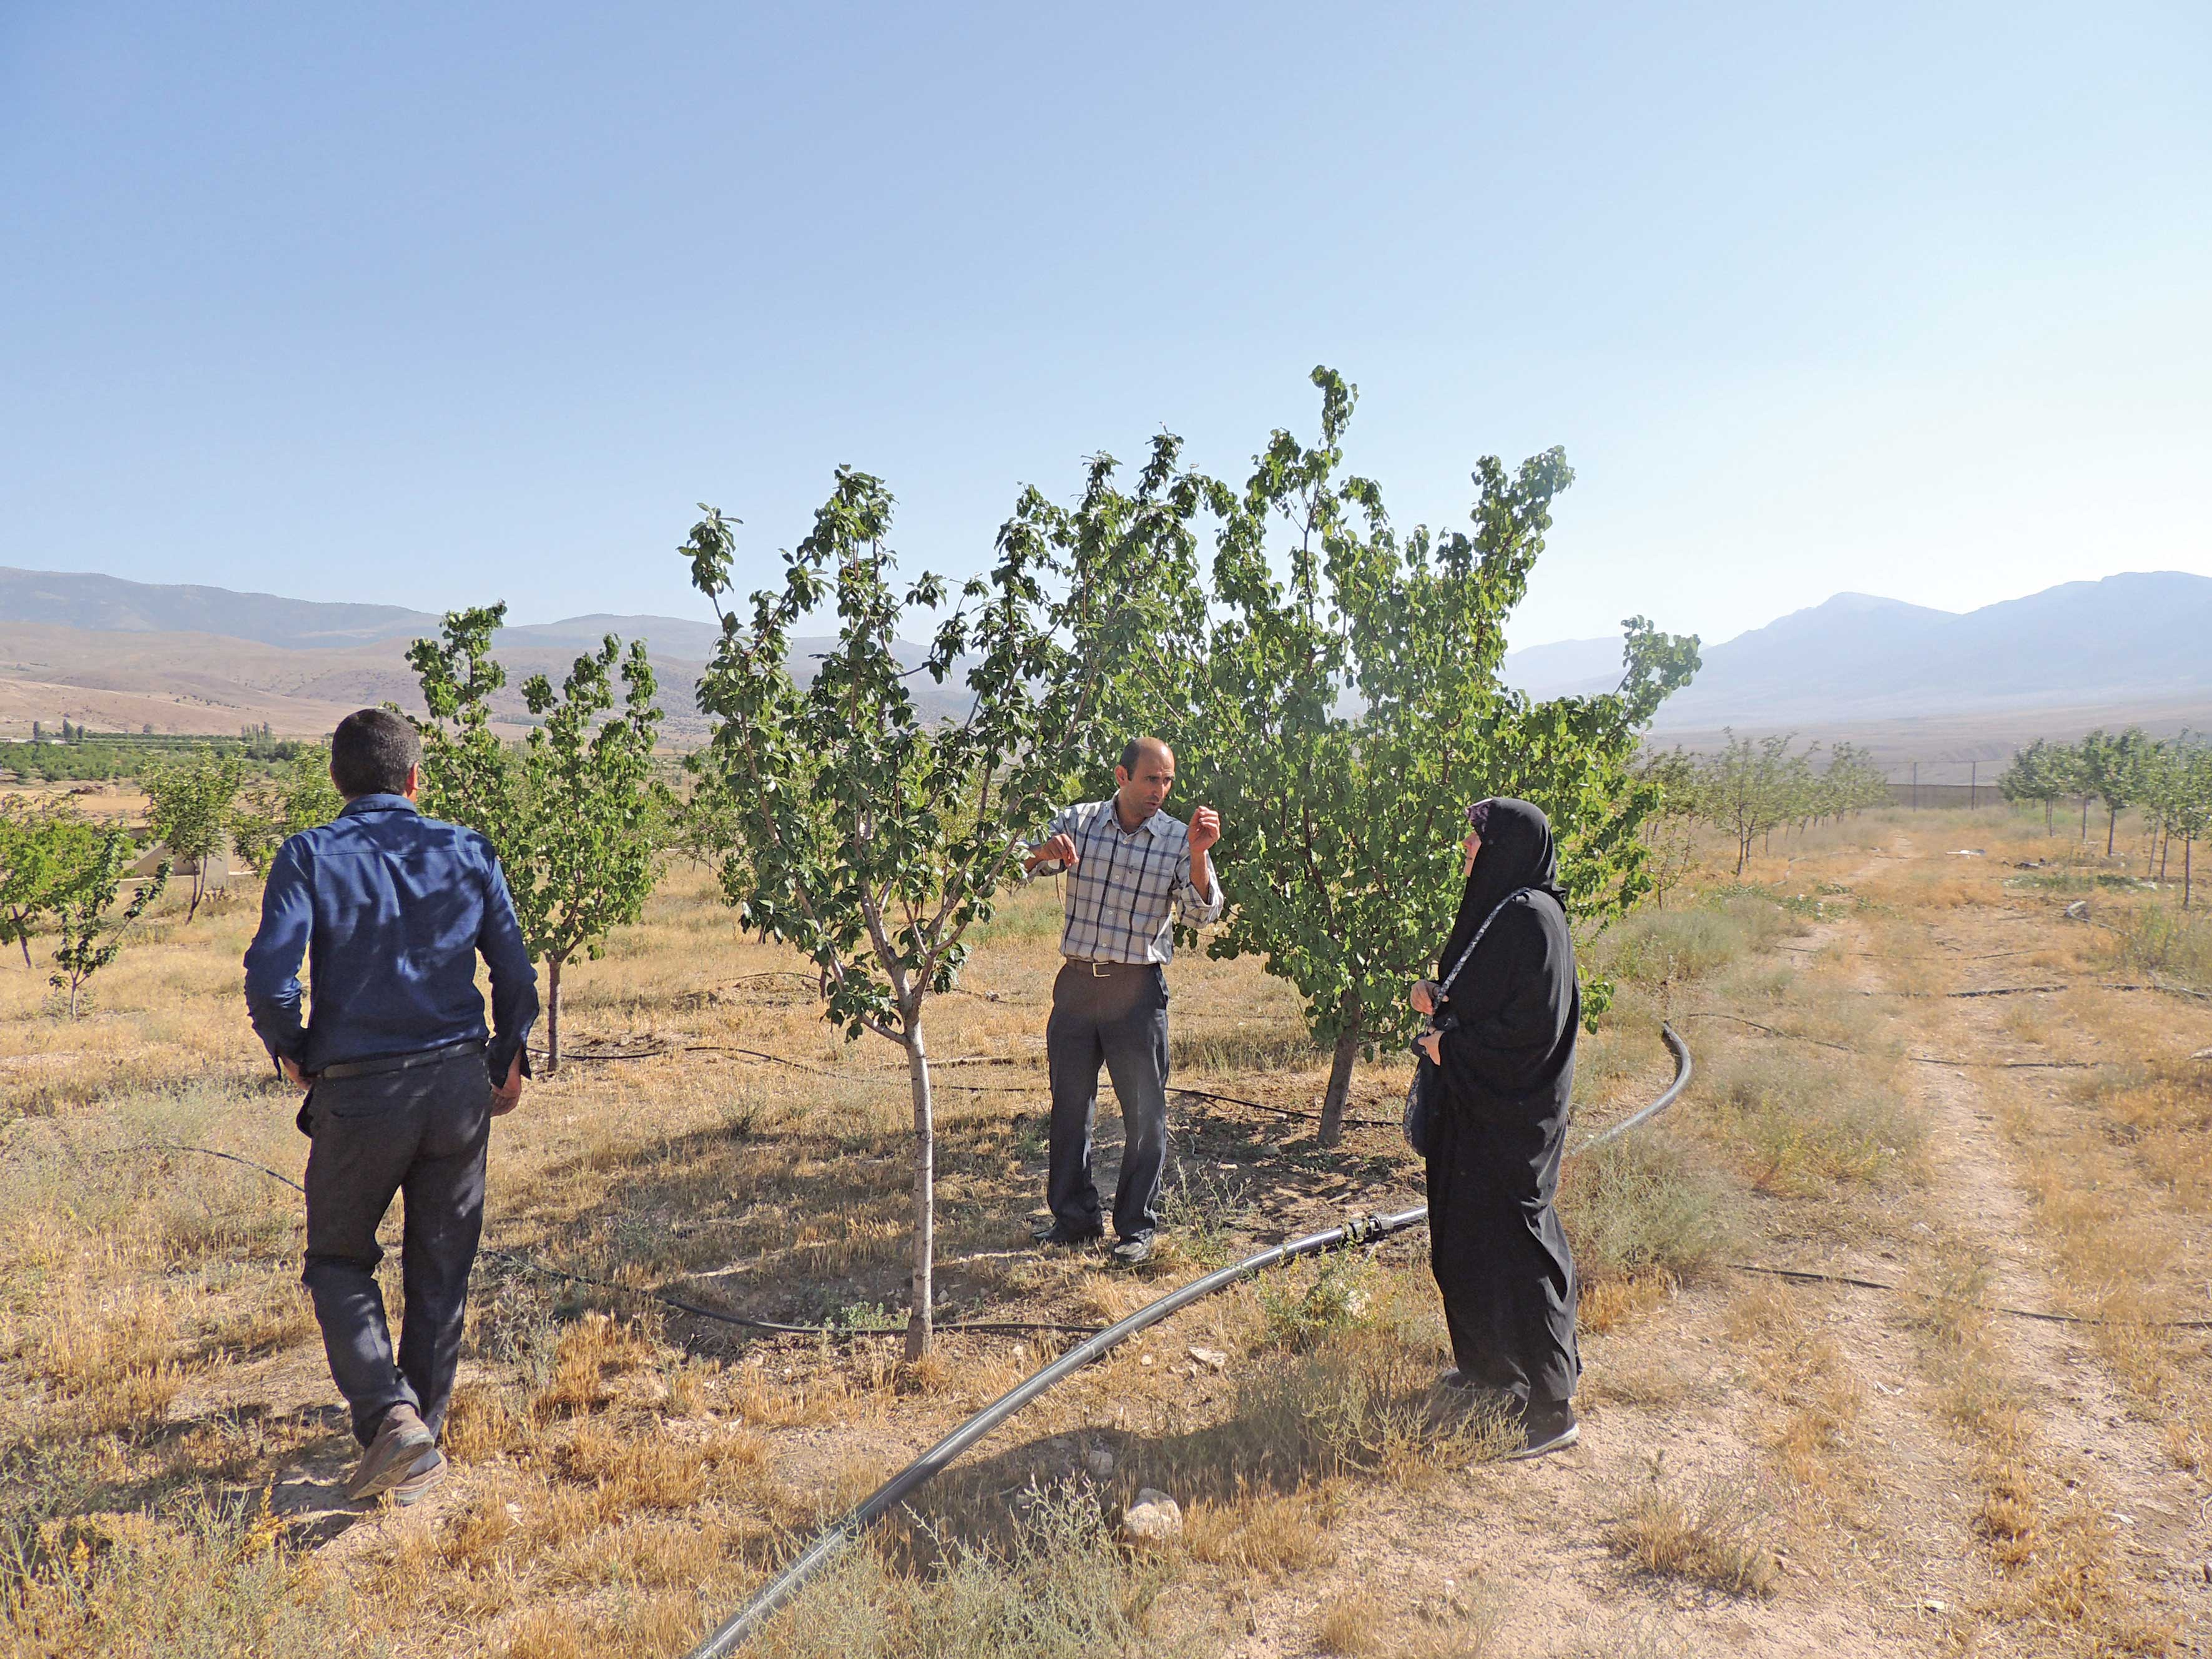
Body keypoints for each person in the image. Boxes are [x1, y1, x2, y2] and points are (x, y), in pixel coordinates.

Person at [243, 708, 539, 1505]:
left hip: (362, 1092)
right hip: (457, 1087)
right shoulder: (467, 849)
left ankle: (393, 1421)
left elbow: (270, 977)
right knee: (441, 1266)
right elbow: (515, 970)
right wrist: (508, 1055)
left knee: (339, 1259)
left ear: (336, 778)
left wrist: (293, 1048)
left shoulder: (309, 852)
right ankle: (416, 1436)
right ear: (414, 778)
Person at [1410, 797, 1581, 1459]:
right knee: (1468, 1238)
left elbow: (1529, 1032)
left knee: (1519, 1248)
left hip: (1511, 1114)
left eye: (1477, 838)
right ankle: (1492, 1371)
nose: (1466, 847)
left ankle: (1550, 1406)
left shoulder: (1532, 917)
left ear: (1507, 848)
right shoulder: (1505, 910)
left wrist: (1451, 1047)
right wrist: (1440, 997)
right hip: (1475, 1109)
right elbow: (1489, 995)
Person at [1023, 737, 1222, 1266]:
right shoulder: (1080, 821)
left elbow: (1202, 914)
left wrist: (1199, 855)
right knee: (1070, 1108)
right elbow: (1020, 860)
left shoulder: (1179, 838)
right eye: (1151, 779)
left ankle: (1135, 1227)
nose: (1160, 790)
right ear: (1121, 776)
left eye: (1168, 781)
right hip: (1077, 986)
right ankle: (1074, 1219)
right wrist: (1043, 853)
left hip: (1136, 991)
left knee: (1144, 1114)